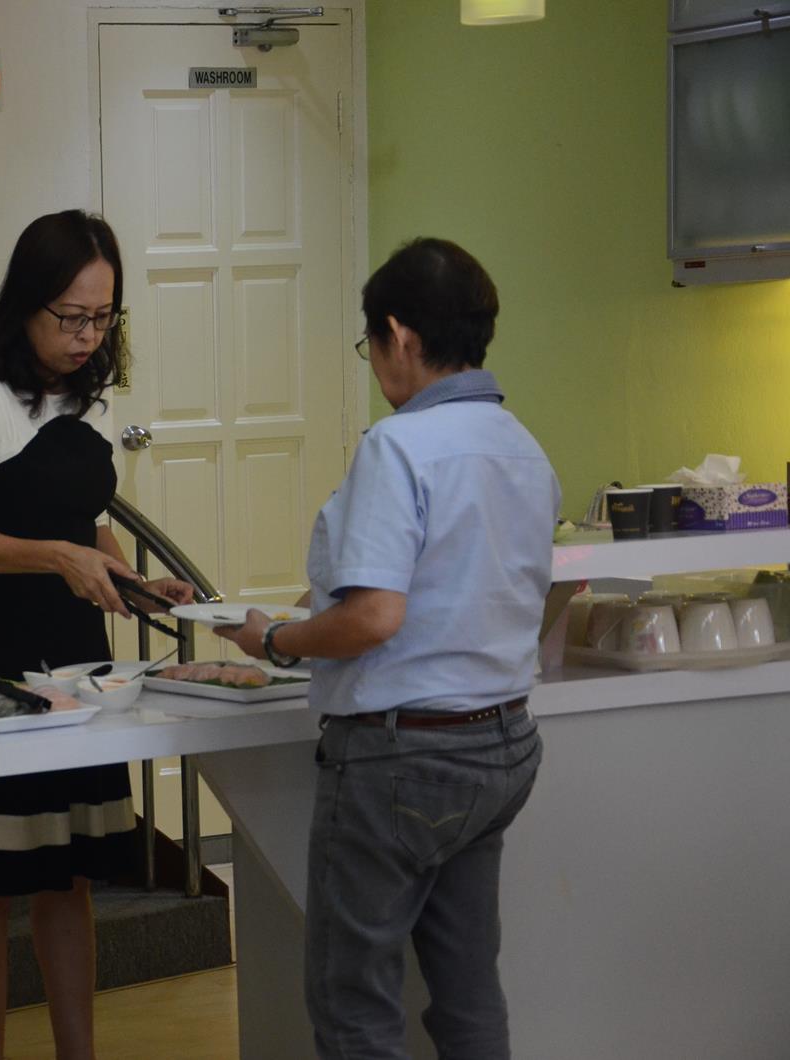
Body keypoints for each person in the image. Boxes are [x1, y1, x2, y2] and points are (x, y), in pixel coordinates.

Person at [216, 237, 559, 1060]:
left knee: (353, 1001)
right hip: (502, 743)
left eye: (370, 343)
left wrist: (276, 640)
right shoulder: (523, 446)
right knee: (467, 991)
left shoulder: (398, 445)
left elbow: (375, 617)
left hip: (402, 759)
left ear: (399, 336)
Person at [0, 209, 194, 1060]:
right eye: (71, 317)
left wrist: (131, 582)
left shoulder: (94, 395)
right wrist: (56, 556)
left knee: (70, 876)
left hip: (75, 661)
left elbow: (86, 521)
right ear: (27, 304)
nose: (87, 336)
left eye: (103, 317)